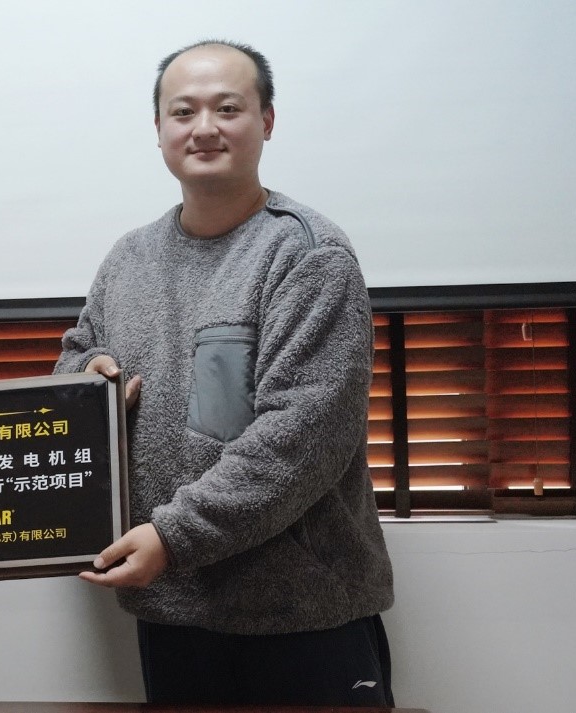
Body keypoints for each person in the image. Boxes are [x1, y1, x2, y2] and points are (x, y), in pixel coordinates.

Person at [56, 40, 395, 707]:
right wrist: (87, 377)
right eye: (183, 111)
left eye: (228, 108)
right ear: (159, 129)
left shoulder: (309, 255)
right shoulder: (129, 259)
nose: (204, 127)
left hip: (304, 617)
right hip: (171, 611)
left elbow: (301, 440)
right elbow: (75, 354)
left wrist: (173, 535)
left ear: (266, 121)